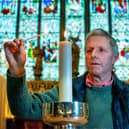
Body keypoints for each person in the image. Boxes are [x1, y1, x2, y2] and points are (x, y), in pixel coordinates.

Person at [4, 29, 129, 129]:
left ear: (115, 57)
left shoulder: (126, 94)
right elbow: (24, 108)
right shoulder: (69, 88)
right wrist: (17, 70)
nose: (93, 55)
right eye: (89, 50)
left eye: (101, 50)